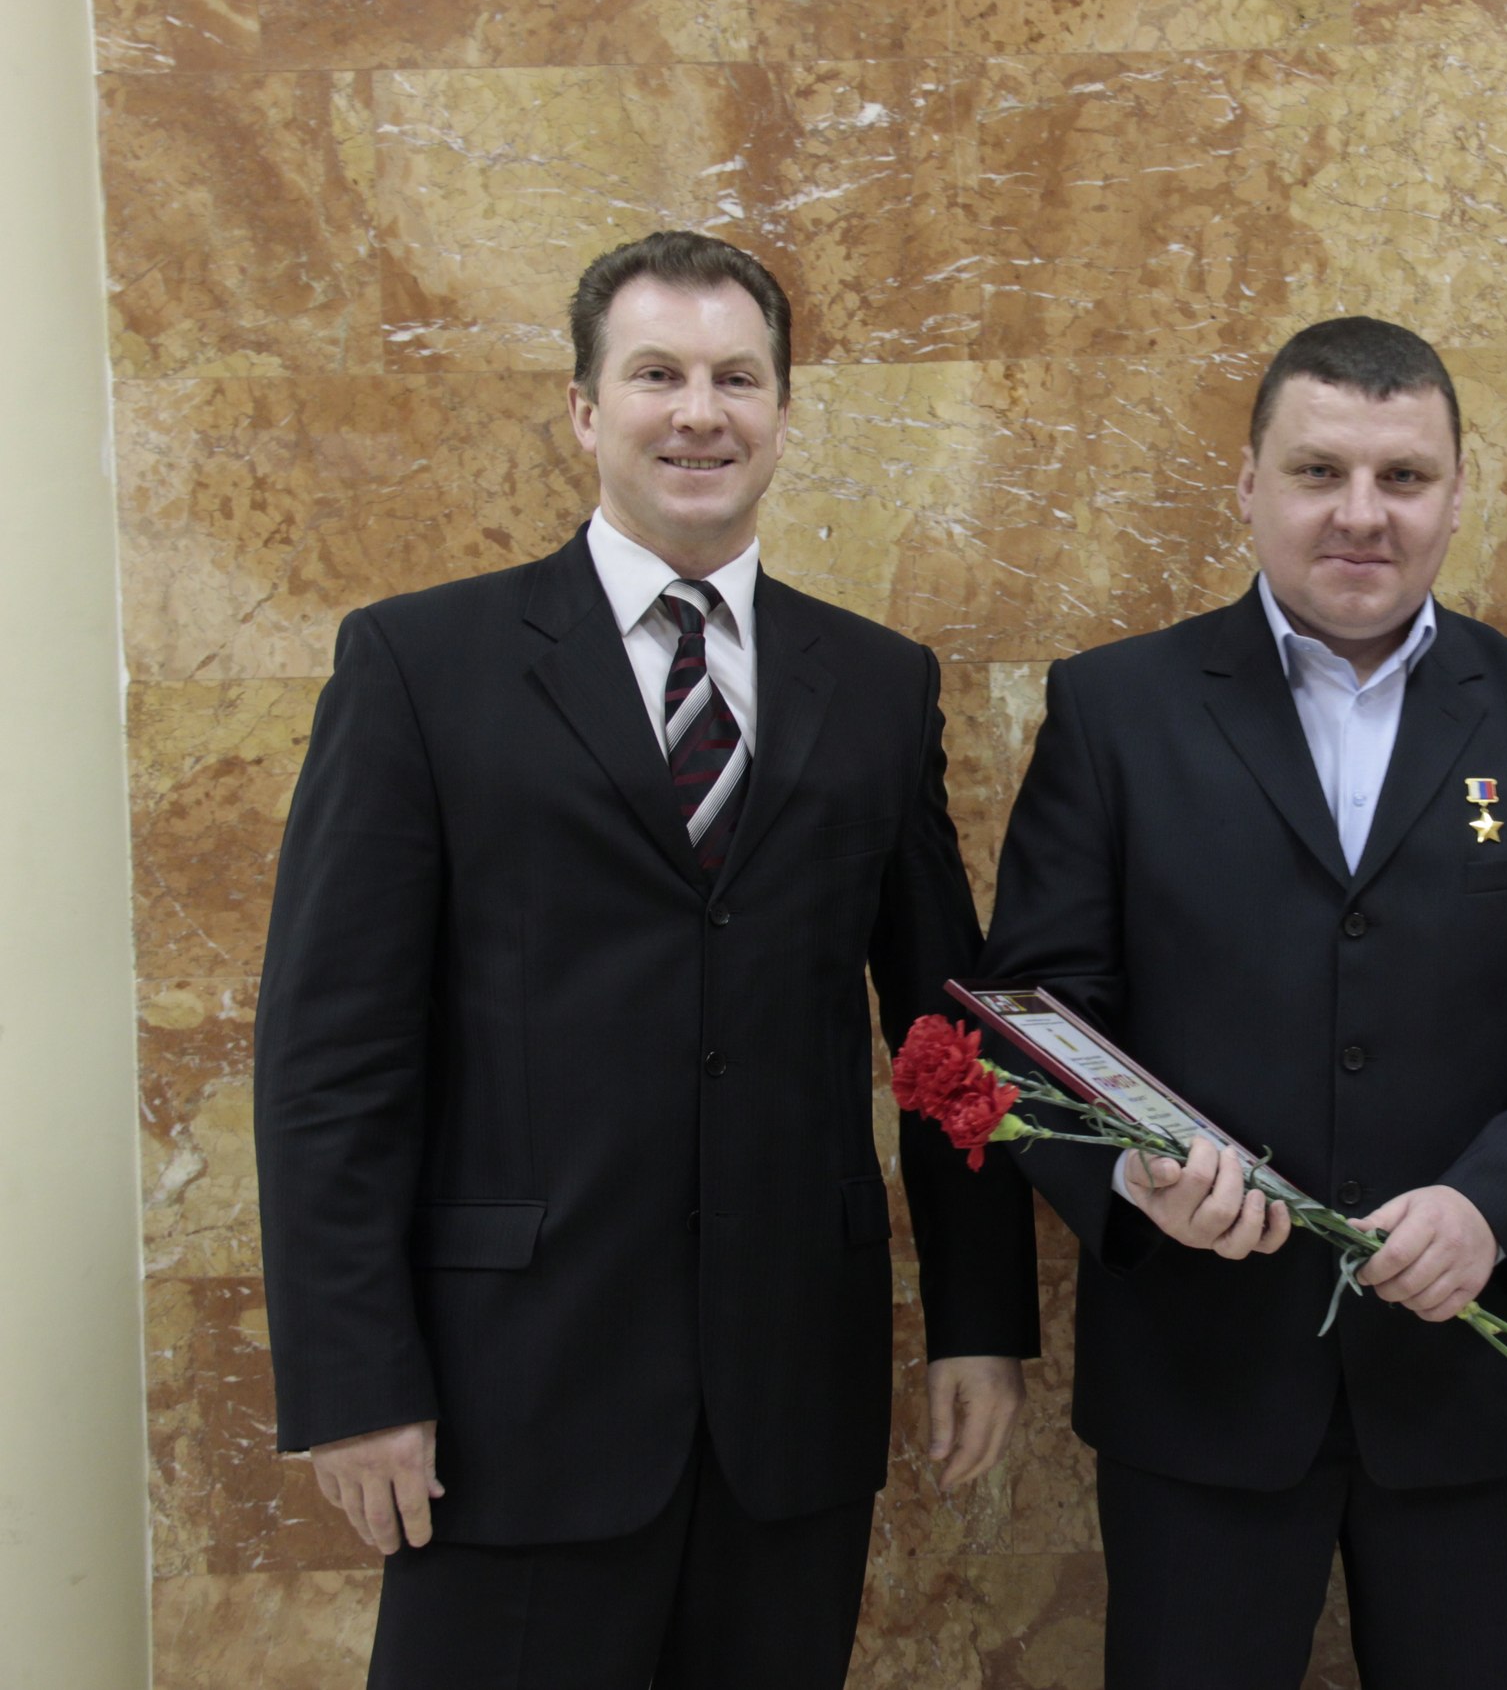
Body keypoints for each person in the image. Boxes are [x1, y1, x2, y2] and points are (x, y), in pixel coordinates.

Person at [253, 230, 1040, 1689]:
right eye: (657, 374)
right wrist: (355, 1380)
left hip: (790, 1406)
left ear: (784, 414)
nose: (699, 413)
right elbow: (332, 1054)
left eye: (737, 378)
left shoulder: (878, 686)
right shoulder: (421, 666)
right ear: (584, 409)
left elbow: (948, 1037)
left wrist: (980, 1321)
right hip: (508, 1400)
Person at [977, 316, 1507, 1690]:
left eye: (1403, 477)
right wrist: (1132, 1178)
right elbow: (1038, 1017)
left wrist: (1497, 1205)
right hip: (1200, 1383)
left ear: (1458, 494)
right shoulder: (1116, 709)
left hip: (1471, 1384)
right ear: (1249, 485)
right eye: (1320, 472)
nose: (1362, 515)